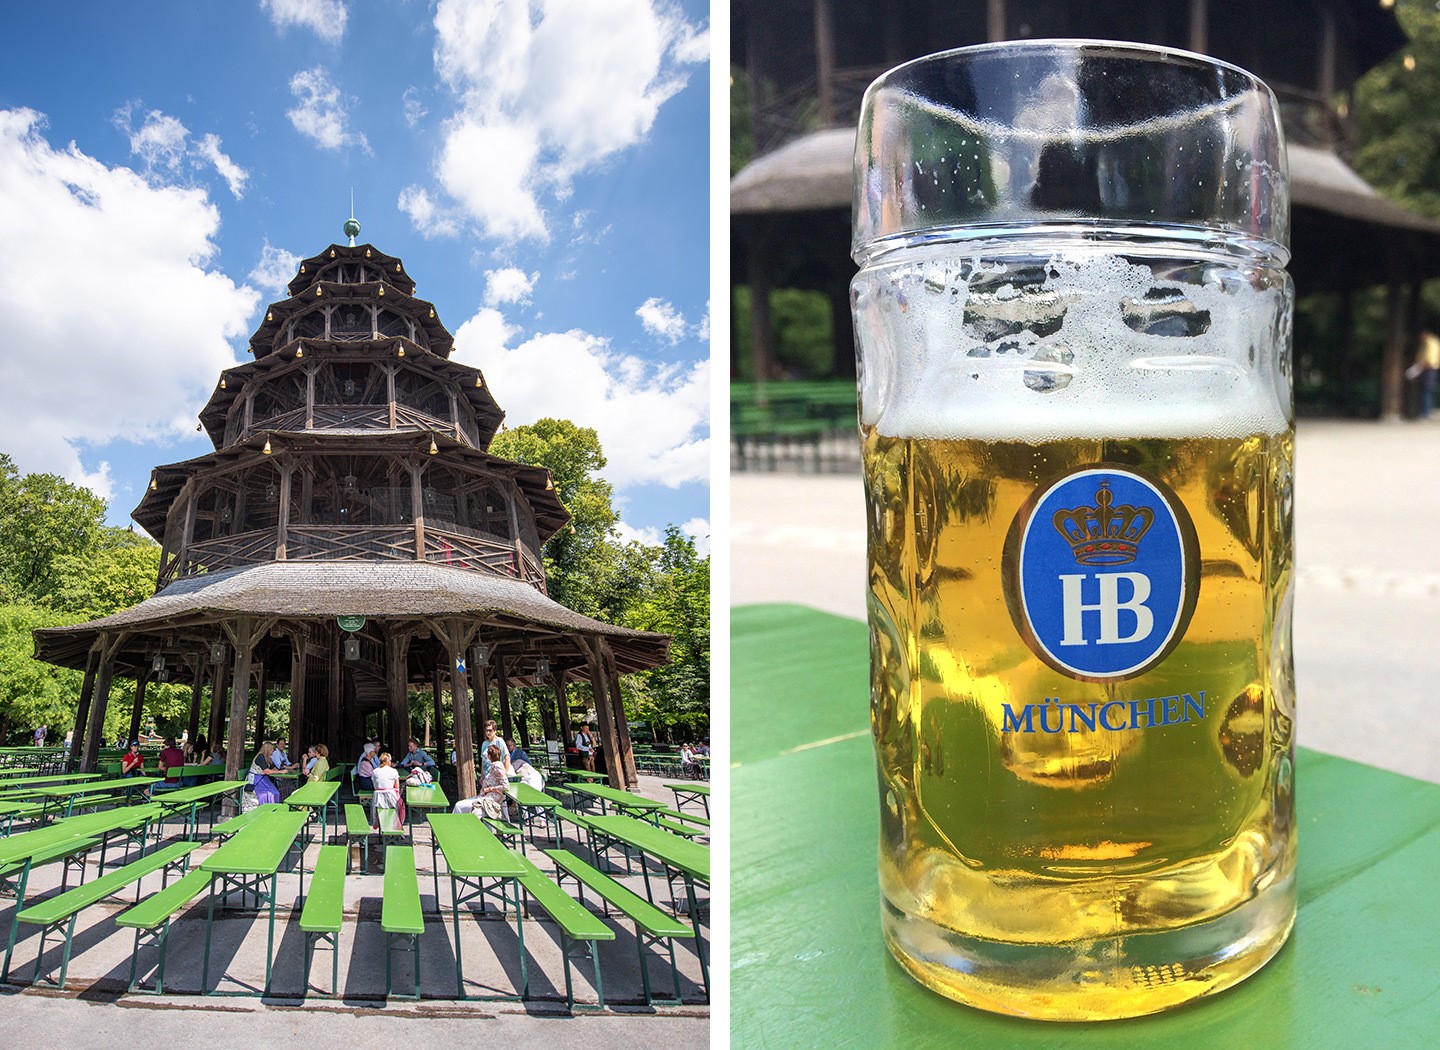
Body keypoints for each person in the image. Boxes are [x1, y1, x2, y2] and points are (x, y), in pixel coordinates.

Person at [1408, 331, 1440, 418]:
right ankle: (1424, 412)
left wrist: (1416, 370)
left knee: (1427, 391)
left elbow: (1429, 359)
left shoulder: (1431, 343)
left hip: (1429, 369)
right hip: (1425, 369)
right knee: (1424, 391)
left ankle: (1426, 413)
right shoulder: (1425, 344)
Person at [370, 750, 403, 829]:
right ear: (389, 761)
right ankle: (397, 827)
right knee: (400, 808)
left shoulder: (374, 771)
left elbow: (375, 786)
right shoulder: (394, 771)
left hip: (378, 798)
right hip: (390, 796)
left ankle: (378, 823)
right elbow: (397, 788)